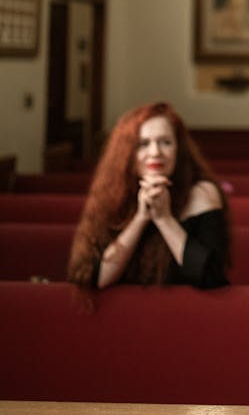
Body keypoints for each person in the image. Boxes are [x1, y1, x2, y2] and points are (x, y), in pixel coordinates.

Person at [67, 101, 230, 291]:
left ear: (179, 149)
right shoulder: (111, 193)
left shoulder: (202, 193)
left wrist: (164, 219)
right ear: (127, 153)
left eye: (165, 142)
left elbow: (211, 278)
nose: (155, 152)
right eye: (143, 144)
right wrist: (140, 218)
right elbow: (99, 278)